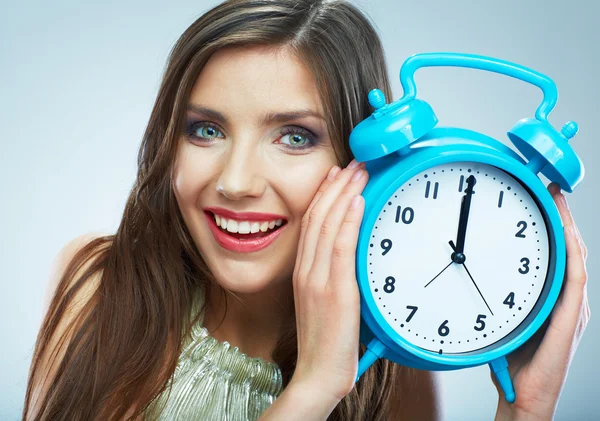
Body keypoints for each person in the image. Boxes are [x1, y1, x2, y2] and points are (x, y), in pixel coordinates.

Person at [22, 1, 590, 420]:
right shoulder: (95, 286)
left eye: (294, 137)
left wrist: (527, 412)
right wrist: (313, 389)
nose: (236, 182)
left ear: (359, 162)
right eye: (206, 130)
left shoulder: (397, 369)